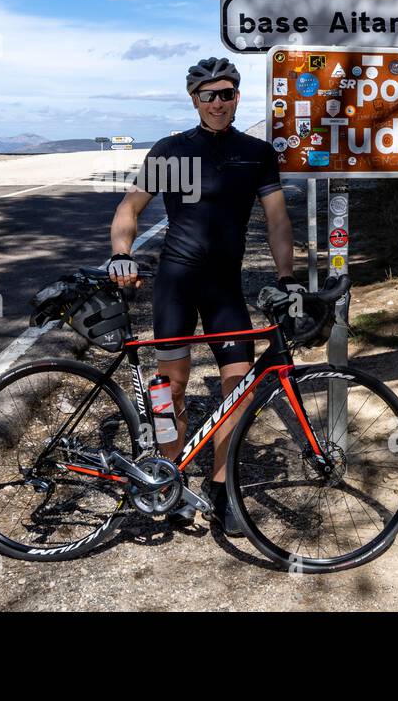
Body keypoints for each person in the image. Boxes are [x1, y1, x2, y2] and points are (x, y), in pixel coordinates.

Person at [108, 57, 303, 536]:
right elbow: (129, 208)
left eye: (227, 93)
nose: (218, 103)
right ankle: (167, 483)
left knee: (240, 387)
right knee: (169, 388)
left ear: (238, 97)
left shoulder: (256, 154)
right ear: (194, 100)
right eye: (208, 95)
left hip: (225, 288)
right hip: (176, 282)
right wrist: (121, 253)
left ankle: (222, 486)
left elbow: (277, 221)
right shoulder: (172, 152)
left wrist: (286, 277)